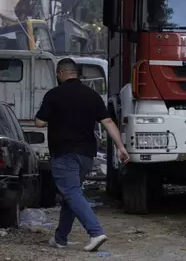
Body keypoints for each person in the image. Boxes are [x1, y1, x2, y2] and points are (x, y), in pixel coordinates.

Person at [35, 58, 130, 252]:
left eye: (57, 74)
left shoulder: (54, 94)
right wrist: (121, 147)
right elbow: (108, 122)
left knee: (70, 192)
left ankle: (95, 232)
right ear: (75, 73)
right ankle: (60, 238)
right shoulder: (92, 95)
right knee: (72, 194)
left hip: (64, 153)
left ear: (61, 73)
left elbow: (39, 123)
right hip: (87, 154)